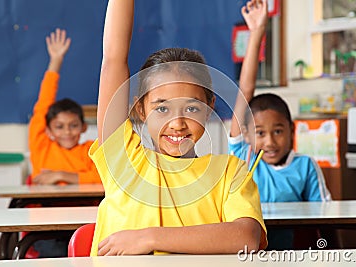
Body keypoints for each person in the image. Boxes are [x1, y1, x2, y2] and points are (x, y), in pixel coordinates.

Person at [89, 0, 268, 256]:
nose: (177, 123)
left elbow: (246, 237)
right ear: (141, 109)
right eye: (162, 108)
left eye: (192, 108)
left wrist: (150, 238)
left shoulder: (229, 171)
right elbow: (113, 60)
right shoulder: (124, 160)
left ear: (209, 108)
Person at [228, 1, 331, 250]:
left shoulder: (305, 166)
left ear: (292, 131)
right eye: (260, 133)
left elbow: (327, 217)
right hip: (248, 255)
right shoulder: (244, 158)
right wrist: (257, 32)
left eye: (278, 131)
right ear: (246, 134)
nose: (270, 142)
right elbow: (245, 90)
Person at [28, 28, 101, 185]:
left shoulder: (90, 151)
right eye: (59, 127)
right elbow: (43, 103)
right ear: (48, 130)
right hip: (45, 208)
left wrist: (60, 175)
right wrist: (56, 61)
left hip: (82, 208)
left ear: (84, 127)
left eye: (73, 125)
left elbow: (104, 179)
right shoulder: (41, 146)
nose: (67, 132)